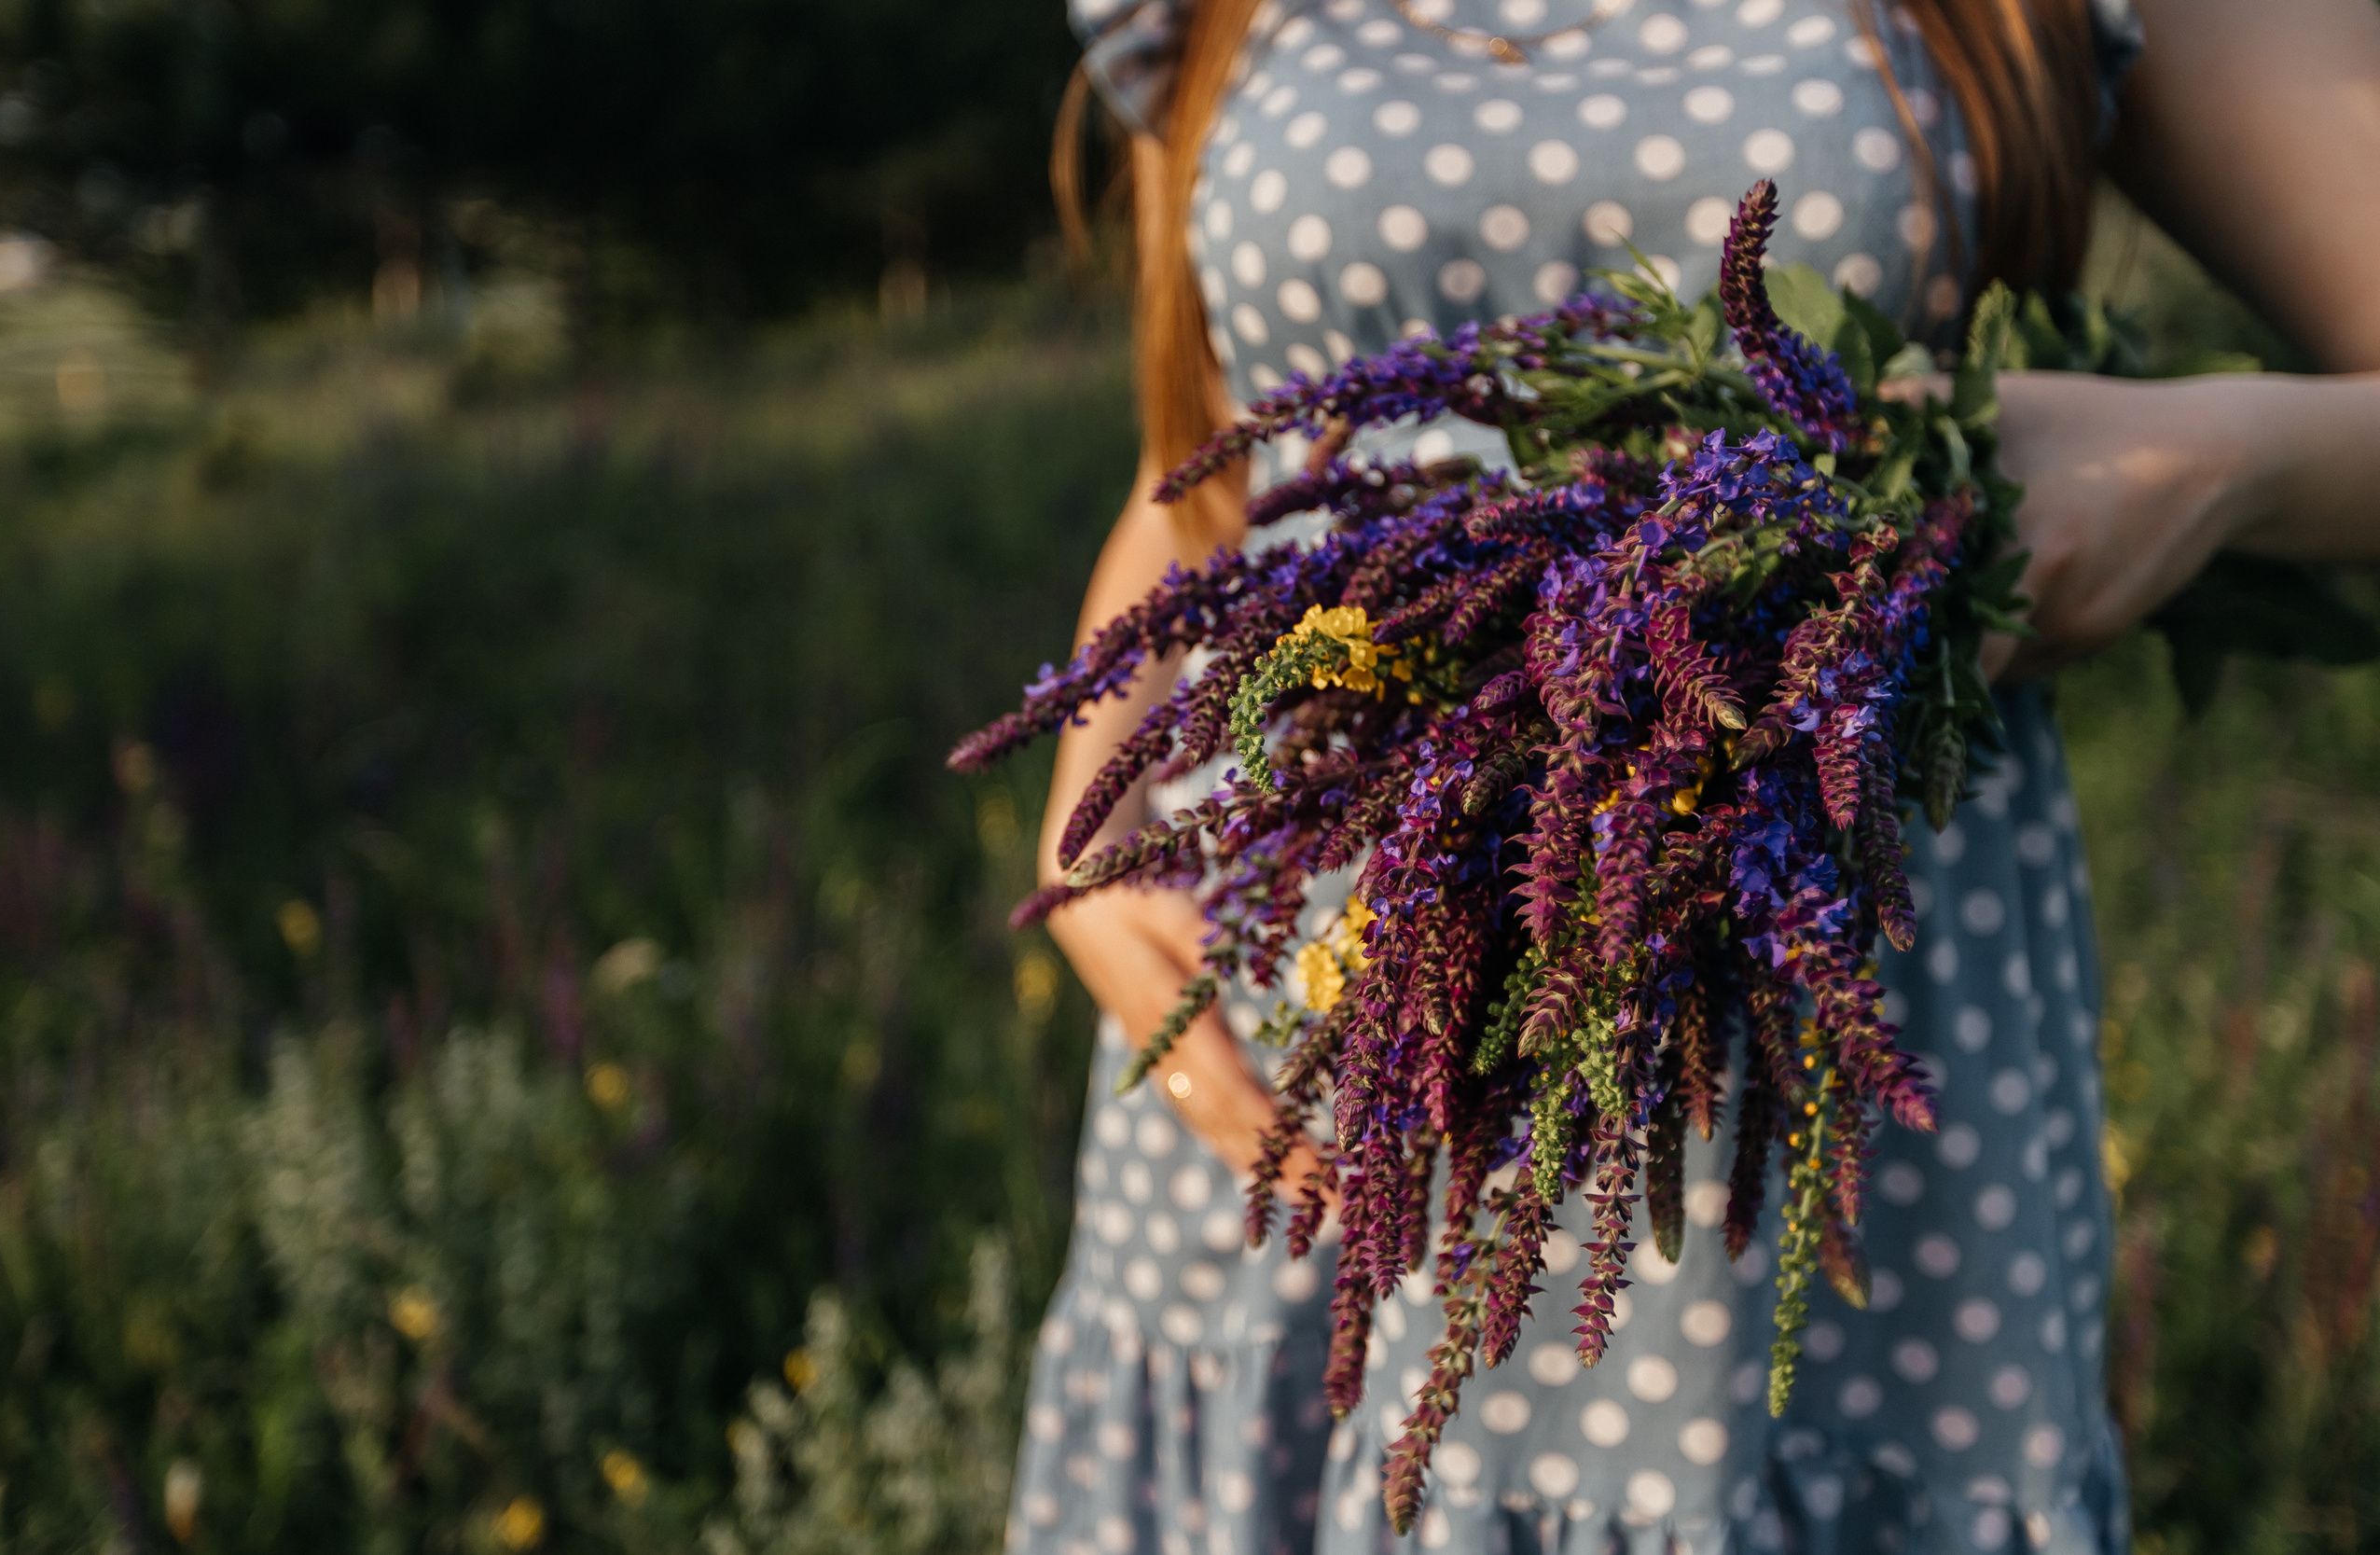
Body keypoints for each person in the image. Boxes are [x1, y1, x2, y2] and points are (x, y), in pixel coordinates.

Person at [1007, 0, 2380, 1550]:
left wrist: (2212, 458)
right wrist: (1091, 795)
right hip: (1314, 1047)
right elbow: (1210, 449)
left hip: (1809, 1003)